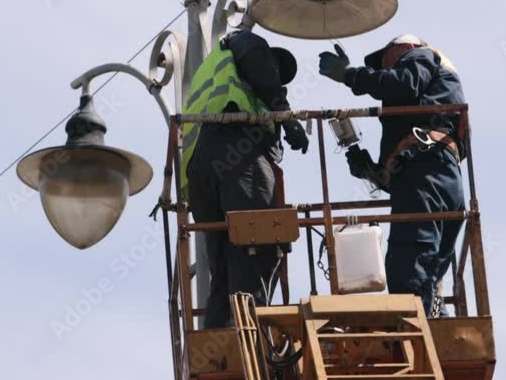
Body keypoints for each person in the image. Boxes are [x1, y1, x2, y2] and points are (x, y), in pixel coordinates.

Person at [318, 34, 466, 317]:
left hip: (429, 176)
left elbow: (402, 84)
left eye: (386, 59)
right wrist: (373, 172)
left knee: (408, 267)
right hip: (440, 179)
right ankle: (433, 327)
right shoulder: (428, 102)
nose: (385, 68)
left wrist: (350, 75)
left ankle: (414, 339)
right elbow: (411, 166)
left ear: (406, 47)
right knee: (429, 272)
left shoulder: (421, 56)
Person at [183, 29, 309, 329]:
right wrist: (284, 114)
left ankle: (219, 344)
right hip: (237, 150)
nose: (276, 77)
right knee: (259, 244)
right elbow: (256, 59)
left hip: (200, 169)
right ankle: (248, 338)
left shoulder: (212, 71)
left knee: (224, 267)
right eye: (276, 70)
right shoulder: (246, 43)